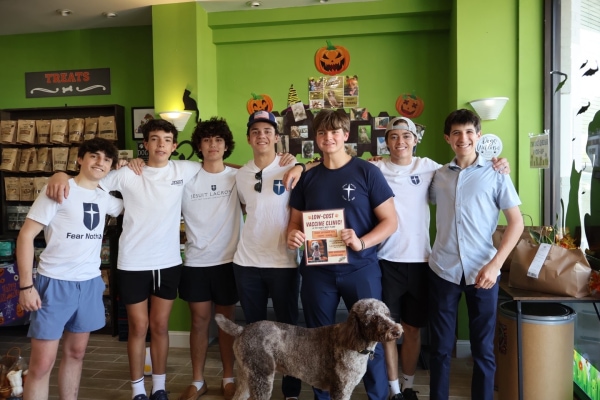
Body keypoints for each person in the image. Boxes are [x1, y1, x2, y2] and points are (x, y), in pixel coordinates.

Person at [46, 119, 202, 400]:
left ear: (174, 146)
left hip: (168, 262)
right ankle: (137, 390)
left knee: (160, 326)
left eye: (167, 140)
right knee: (138, 327)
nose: (161, 145)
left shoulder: (184, 169)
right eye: (154, 139)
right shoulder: (128, 173)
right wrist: (59, 175)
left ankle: (159, 388)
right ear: (146, 144)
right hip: (132, 262)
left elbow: (220, 167)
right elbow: (88, 181)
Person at [286, 109, 398, 400]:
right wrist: (292, 235)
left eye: (335, 132)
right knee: (318, 344)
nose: (328, 138)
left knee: (372, 340)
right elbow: (295, 222)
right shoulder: (308, 177)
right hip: (318, 273)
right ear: (316, 137)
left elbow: (390, 221)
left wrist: (361, 242)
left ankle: (377, 396)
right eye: (322, 132)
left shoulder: (366, 172)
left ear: (346, 134)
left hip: (361, 270)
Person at [17, 138, 124, 400]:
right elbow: (26, 236)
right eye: (94, 156)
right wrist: (26, 286)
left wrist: (133, 166)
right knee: (42, 364)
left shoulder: (105, 198)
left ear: (111, 165)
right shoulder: (58, 190)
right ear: (80, 159)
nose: (100, 162)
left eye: (106, 159)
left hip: (89, 284)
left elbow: (131, 203)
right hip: (54, 283)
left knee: (76, 354)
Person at [427, 109, 523, 400]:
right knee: (440, 348)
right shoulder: (438, 176)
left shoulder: (496, 173)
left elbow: (516, 223)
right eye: (456, 132)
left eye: (469, 132)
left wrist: (495, 265)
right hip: (443, 270)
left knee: (483, 350)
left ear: (479, 136)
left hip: (484, 271)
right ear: (447, 138)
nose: (463, 138)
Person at [233, 110, 303, 400]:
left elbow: (321, 166)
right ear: (249, 138)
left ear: (276, 137)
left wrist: (301, 164)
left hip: (283, 263)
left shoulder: (292, 168)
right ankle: (257, 389)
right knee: (254, 334)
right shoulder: (240, 174)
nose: (261, 135)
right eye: (255, 131)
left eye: (267, 131)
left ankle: (291, 392)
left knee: (288, 332)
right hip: (246, 263)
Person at [176, 117, 240, 400]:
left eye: (218, 140)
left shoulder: (238, 176)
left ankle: (228, 379)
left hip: (229, 262)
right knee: (199, 322)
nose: (213, 145)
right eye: (207, 140)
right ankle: (198, 380)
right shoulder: (185, 178)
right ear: (199, 146)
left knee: (226, 323)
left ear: (226, 146)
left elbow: (260, 171)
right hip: (196, 262)